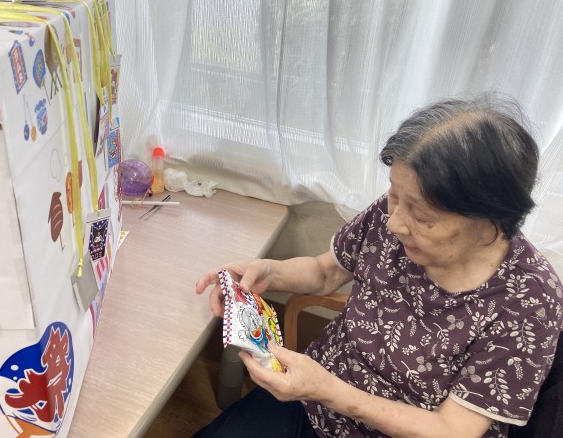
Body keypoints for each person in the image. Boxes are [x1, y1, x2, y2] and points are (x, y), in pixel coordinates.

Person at [194, 94, 563, 438]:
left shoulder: (531, 300)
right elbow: (326, 272)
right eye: (393, 194)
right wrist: (268, 272)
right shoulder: (394, 214)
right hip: (313, 399)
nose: (395, 223)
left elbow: (453, 429)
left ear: (489, 221)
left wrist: (326, 389)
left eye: (421, 216)